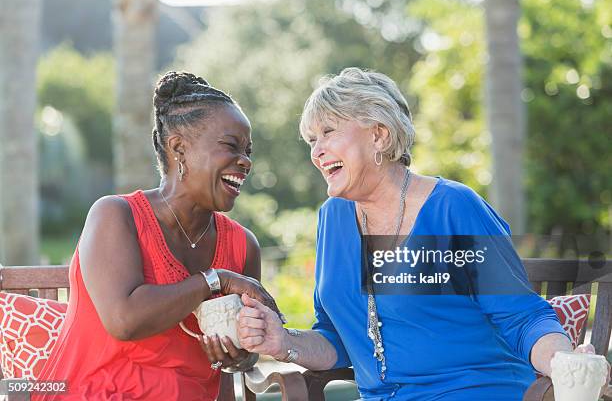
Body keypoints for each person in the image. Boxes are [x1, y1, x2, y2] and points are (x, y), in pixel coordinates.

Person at [235, 67, 605, 400]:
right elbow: (335, 337)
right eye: (311, 140)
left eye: (328, 132)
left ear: (378, 135)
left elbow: (522, 317)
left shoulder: (453, 208)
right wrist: (283, 342)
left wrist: (563, 361)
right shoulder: (332, 218)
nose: (317, 152)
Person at [34, 71, 281, 401]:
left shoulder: (242, 245)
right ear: (179, 147)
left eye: (248, 150)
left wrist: (240, 354)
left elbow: (250, 347)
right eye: (231, 146)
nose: (245, 161)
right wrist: (215, 280)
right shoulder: (116, 215)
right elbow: (125, 320)